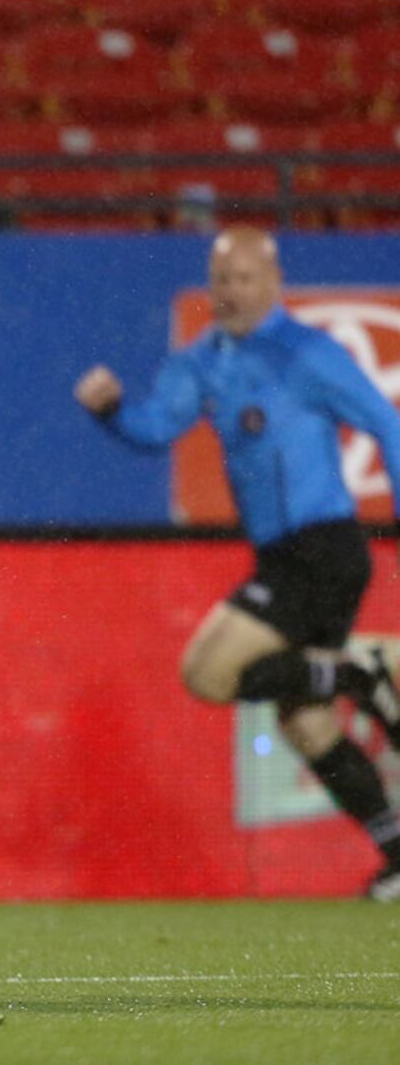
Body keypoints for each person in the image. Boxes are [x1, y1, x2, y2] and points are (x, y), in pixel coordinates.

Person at [75, 225, 400, 902]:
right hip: (283, 556)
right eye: (221, 279)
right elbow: (156, 427)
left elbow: (385, 422)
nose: (230, 292)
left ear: (273, 282)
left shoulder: (306, 354)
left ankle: (359, 667)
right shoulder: (201, 362)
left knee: (208, 671)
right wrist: (111, 411)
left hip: (324, 549)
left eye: (245, 278)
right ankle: (397, 854)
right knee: (305, 721)